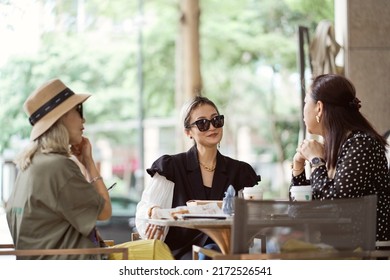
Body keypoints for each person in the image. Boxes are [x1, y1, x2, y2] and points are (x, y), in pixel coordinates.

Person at [5, 78, 174, 260]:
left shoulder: (30, 166)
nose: (83, 119)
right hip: (76, 266)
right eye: (78, 110)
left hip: (47, 266)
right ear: (62, 117)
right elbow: (105, 212)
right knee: (156, 250)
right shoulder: (58, 166)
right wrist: (88, 163)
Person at [135, 95, 261, 260]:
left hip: (226, 252)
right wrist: (154, 212)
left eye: (216, 120)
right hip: (182, 255)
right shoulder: (171, 166)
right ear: (188, 132)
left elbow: (250, 218)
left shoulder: (239, 171)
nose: (211, 127)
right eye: (202, 123)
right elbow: (143, 210)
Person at [290, 74, 390, 244]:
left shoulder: (361, 144)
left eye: (306, 102)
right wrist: (298, 167)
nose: (303, 109)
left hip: (367, 251)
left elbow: (338, 205)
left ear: (319, 108)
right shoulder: (335, 145)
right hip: (340, 246)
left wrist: (316, 161)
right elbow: (300, 210)